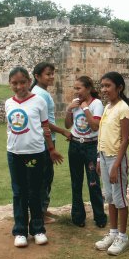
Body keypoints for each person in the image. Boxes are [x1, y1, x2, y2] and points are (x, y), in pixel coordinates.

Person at [5, 66, 63, 248]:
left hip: (34, 154)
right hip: (15, 154)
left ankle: (38, 229)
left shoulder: (38, 101)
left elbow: (46, 128)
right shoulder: (8, 103)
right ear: (10, 84)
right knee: (18, 192)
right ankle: (20, 230)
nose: (19, 86)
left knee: (35, 191)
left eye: (22, 82)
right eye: (15, 83)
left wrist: (51, 149)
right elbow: (11, 127)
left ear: (29, 82)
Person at [95, 72, 129, 256]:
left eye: (108, 86)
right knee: (109, 197)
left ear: (119, 87)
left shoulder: (123, 108)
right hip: (105, 156)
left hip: (116, 158)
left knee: (120, 199)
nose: (104, 90)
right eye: (102, 86)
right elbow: (102, 135)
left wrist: (116, 165)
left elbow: (125, 140)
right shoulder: (108, 107)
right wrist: (100, 159)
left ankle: (123, 236)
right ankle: (113, 232)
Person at [64, 76, 107, 228]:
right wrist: (69, 109)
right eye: (74, 88)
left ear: (88, 88)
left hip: (91, 146)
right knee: (76, 182)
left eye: (79, 88)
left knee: (93, 182)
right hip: (75, 145)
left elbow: (95, 126)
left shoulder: (96, 104)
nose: (76, 91)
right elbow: (68, 124)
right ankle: (77, 217)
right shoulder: (75, 104)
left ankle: (100, 218)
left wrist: (85, 108)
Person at [31, 62, 71, 224]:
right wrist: (63, 131)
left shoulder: (40, 92)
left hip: (46, 139)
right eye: (48, 74)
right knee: (44, 177)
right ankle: (40, 213)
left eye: (53, 73)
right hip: (44, 141)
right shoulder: (40, 94)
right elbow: (44, 122)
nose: (51, 76)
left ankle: (42, 209)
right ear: (37, 76)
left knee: (45, 176)